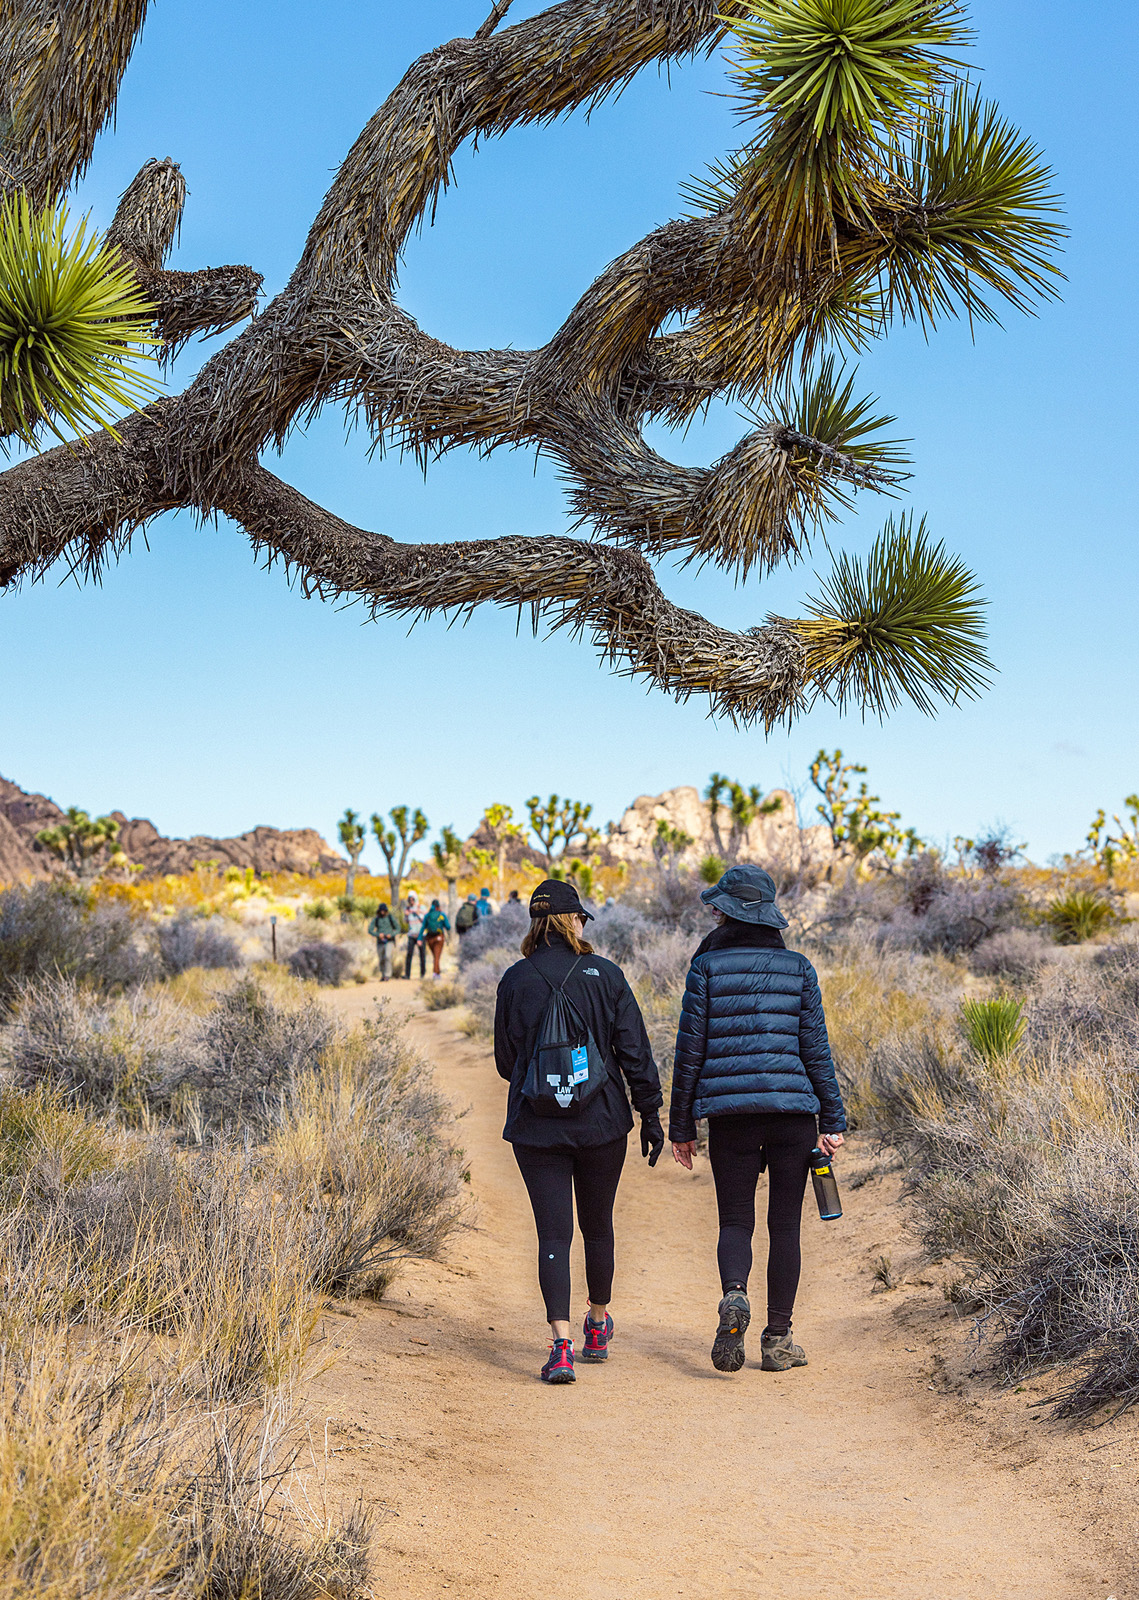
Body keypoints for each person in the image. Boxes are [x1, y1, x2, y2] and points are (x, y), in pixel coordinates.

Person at [669, 864, 846, 1376]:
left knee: (735, 1220)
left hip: (731, 1117)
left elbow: (689, 1053)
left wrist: (683, 1126)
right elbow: (816, 1050)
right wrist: (831, 1116)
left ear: (725, 913)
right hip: (794, 1114)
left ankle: (734, 1296)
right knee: (785, 1224)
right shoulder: (799, 969)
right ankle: (777, 1339)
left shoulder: (706, 968)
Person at [495, 878, 665, 1384]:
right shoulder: (606, 975)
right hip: (602, 1122)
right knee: (598, 1223)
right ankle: (597, 1323)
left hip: (536, 1126)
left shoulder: (515, 979)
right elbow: (635, 1052)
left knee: (553, 1231)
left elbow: (507, 1062)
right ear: (573, 920)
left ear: (535, 922)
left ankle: (561, 1345)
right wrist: (651, 1115)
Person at [367, 901, 400, 981]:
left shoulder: (390, 918)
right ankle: (383, 974)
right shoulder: (376, 919)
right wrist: (378, 934)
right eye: (381, 910)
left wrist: (391, 934)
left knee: (388, 957)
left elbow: (398, 928)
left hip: (389, 941)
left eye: (384, 910)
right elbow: (370, 930)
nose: (382, 912)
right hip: (380, 941)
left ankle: (387, 975)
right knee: (381, 958)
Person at [421, 898, 450, 978]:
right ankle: (435, 973)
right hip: (439, 937)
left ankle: (437, 972)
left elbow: (423, 927)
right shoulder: (442, 915)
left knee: (435, 956)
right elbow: (448, 926)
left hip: (429, 938)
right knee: (437, 956)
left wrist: (420, 938)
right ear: (438, 906)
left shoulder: (427, 915)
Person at [403, 891, 426, 979]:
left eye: (412, 899)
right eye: (409, 899)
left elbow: (425, 920)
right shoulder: (407, 908)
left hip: (421, 935)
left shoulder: (421, 907)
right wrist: (406, 915)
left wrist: (418, 913)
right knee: (409, 954)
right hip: (411, 934)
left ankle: (422, 974)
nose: (411, 901)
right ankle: (407, 974)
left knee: (422, 955)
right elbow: (405, 922)